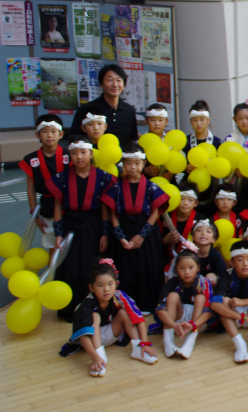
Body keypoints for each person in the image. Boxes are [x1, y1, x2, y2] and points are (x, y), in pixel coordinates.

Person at [46, 136, 117, 319]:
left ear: (91, 154)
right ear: (69, 155)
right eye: (74, 153)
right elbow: (57, 207)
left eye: (83, 152)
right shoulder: (62, 178)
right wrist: (58, 234)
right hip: (70, 225)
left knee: (91, 265)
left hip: (93, 225)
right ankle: (69, 309)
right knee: (70, 267)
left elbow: (104, 208)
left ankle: (95, 308)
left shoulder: (103, 178)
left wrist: (104, 233)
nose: (79, 157)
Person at [67, 258, 157, 377]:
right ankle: (101, 357)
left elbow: (138, 318)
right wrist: (95, 357)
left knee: (124, 313)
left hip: (111, 334)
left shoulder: (119, 296)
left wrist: (144, 343)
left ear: (116, 283)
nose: (106, 289)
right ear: (91, 287)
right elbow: (84, 336)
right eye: (100, 285)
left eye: (110, 284)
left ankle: (137, 350)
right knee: (95, 316)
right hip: (91, 341)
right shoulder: (86, 305)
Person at [108, 143, 170, 313]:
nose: (133, 167)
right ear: (123, 164)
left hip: (146, 232)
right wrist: (120, 237)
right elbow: (112, 213)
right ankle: (125, 303)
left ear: (143, 164)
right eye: (128, 163)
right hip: (124, 230)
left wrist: (142, 236)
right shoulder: (116, 187)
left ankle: (147, 304)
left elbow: (156, 211)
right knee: (125, 268)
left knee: (147, 267)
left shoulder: (151, 186)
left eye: (137, 163)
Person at [19, 114, 68, 255]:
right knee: (53, 245)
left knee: (71, 244)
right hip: (47, 208)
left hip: (69, 206)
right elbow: (31, 189)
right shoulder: (31, 159)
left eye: (53, 131)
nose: (49, 135)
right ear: (37, 135)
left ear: (61, 134)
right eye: (44, 131)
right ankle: (53, 269)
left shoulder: (70, 155)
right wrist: (34, 215)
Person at [156, 250, 214, 359]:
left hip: (198, 322)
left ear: (198, 267)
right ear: (176, 269)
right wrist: (173, 325)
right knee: (172, 296)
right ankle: (168, 341)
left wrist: (193, 325)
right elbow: (160, 309)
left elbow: (209, 312)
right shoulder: (172, 282)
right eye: (182, 268)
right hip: (177, 322)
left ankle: (189, 342)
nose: (186, 272)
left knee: (200, 298)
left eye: (191, 267)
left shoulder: (204, 283)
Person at [71, 64, 139, 144]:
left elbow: (132, 139)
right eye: (109, 80)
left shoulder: (129, 111)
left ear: (124, 85)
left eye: (118, 80)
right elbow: (74, 139)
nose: (115, 85)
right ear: (101, 84)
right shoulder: (86, 109)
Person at [192, 219, 226, 288]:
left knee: (211, 277)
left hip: (210, 288)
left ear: (213, 239)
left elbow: (223, 276)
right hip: (190, 284)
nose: (203, 233)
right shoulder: (188, 254)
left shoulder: (216, 255)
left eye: (208, 231)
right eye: (199, 230)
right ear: (193, 237)